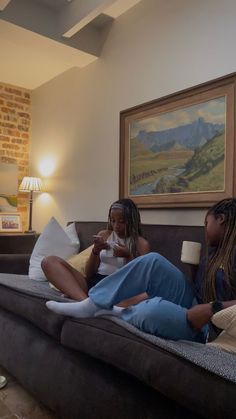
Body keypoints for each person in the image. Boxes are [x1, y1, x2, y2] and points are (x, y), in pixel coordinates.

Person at [46, 198, 236, 343]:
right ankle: (92, 305)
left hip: (207, 328)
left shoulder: (232, 254)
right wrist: (195, 270)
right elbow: (201, 291)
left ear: (221, 219)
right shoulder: (215, 251)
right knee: (153, 261)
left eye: (206, 223)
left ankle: (112, 312)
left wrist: (214, 308)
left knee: (151, 310)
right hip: (193, 301)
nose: (204, 229)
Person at [42, 198, 150, 304]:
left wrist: (128, 256)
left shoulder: (141, 244)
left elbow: (140, 281)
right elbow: (89, 274)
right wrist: (95, 251)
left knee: (146, 295)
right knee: (48, 262)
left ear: (132, 221)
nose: (116, 226)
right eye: (113, 221)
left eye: (121, 222)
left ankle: (82, 300)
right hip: (94, 283)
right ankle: (85, 302)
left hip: (118, 287)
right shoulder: (104, 235)